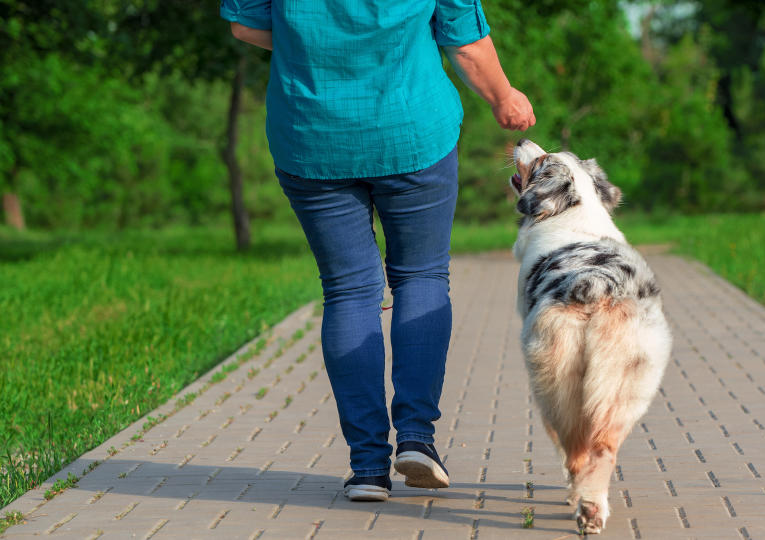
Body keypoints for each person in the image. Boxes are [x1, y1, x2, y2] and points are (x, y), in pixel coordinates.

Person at [220, 0, 536, 501]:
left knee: (348, 292)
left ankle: (368, 468)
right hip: (411, 129)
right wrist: (503, 97)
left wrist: (327, 47)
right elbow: (465, 39)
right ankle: (417, 439)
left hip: (313, 133)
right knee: (422, 277)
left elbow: (246, 25)